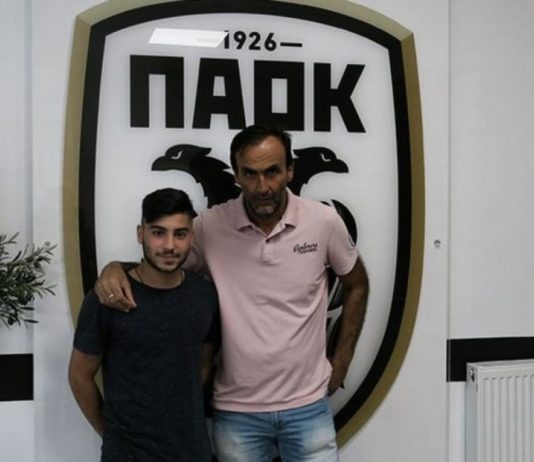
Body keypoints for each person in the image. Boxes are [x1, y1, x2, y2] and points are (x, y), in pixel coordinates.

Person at [95, 126, 369, 462]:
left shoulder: (324, 222)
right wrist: (116, 268)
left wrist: (341, 362)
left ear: (290, 170)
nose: (262, 186)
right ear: (236, 174)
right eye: (250, 174)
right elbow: (163, 262)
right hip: (237, 413)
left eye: (272, 172)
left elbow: (357, 283)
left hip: (308, 407)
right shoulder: (209, 227)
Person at [69, 188, 219, 462]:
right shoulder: (109, 298)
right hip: (127, 455)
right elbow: (79, 375)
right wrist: (110, 434)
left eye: (180, 234)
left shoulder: (205, 296)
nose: (169, 245)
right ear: (141, 234)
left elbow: (203, 366)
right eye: (158, 233)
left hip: (192, 451)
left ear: (191, 237)